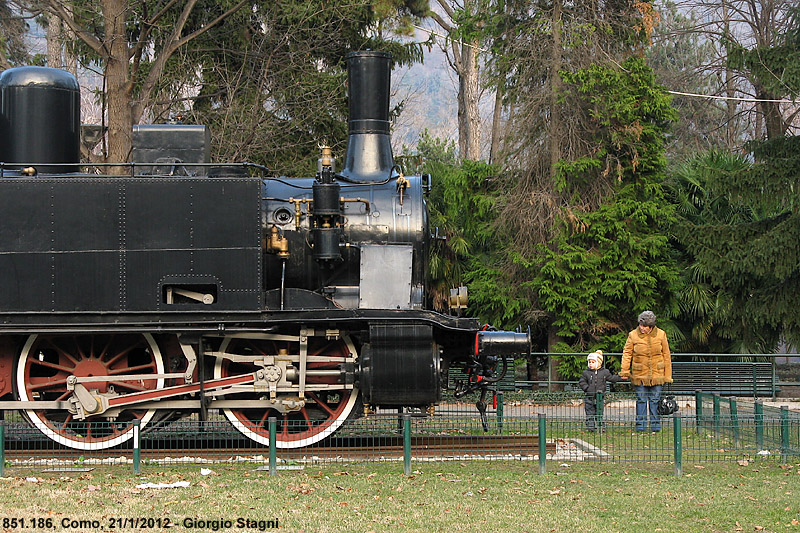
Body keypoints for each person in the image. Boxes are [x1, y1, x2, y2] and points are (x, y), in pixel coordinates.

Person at [620, 310, 672, 432]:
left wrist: (667, 375)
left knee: (655, 400)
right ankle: (640, 427)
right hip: (639, 374)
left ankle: (655, 427)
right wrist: (625, 371)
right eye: (640, 325)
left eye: (644, 326)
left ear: (651, 326)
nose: (641, 328)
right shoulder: (633, 335)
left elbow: (666, 355)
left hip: (657, 374)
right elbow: (627, 353)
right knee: (641, 400)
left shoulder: (661, 334)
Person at [578, 350, 624, 431]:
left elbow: (612, 378)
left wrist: (621, 378)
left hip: (600, 397)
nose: (590, 364)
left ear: (598, 363)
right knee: (589, 412)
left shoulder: (604, 372)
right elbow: (582, 382)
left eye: (593, 362)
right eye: (589, 362)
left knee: (599, 412)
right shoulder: (586, 373)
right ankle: (590, 426)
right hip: (589, 396)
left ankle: (600, 425)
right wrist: (587, 389)